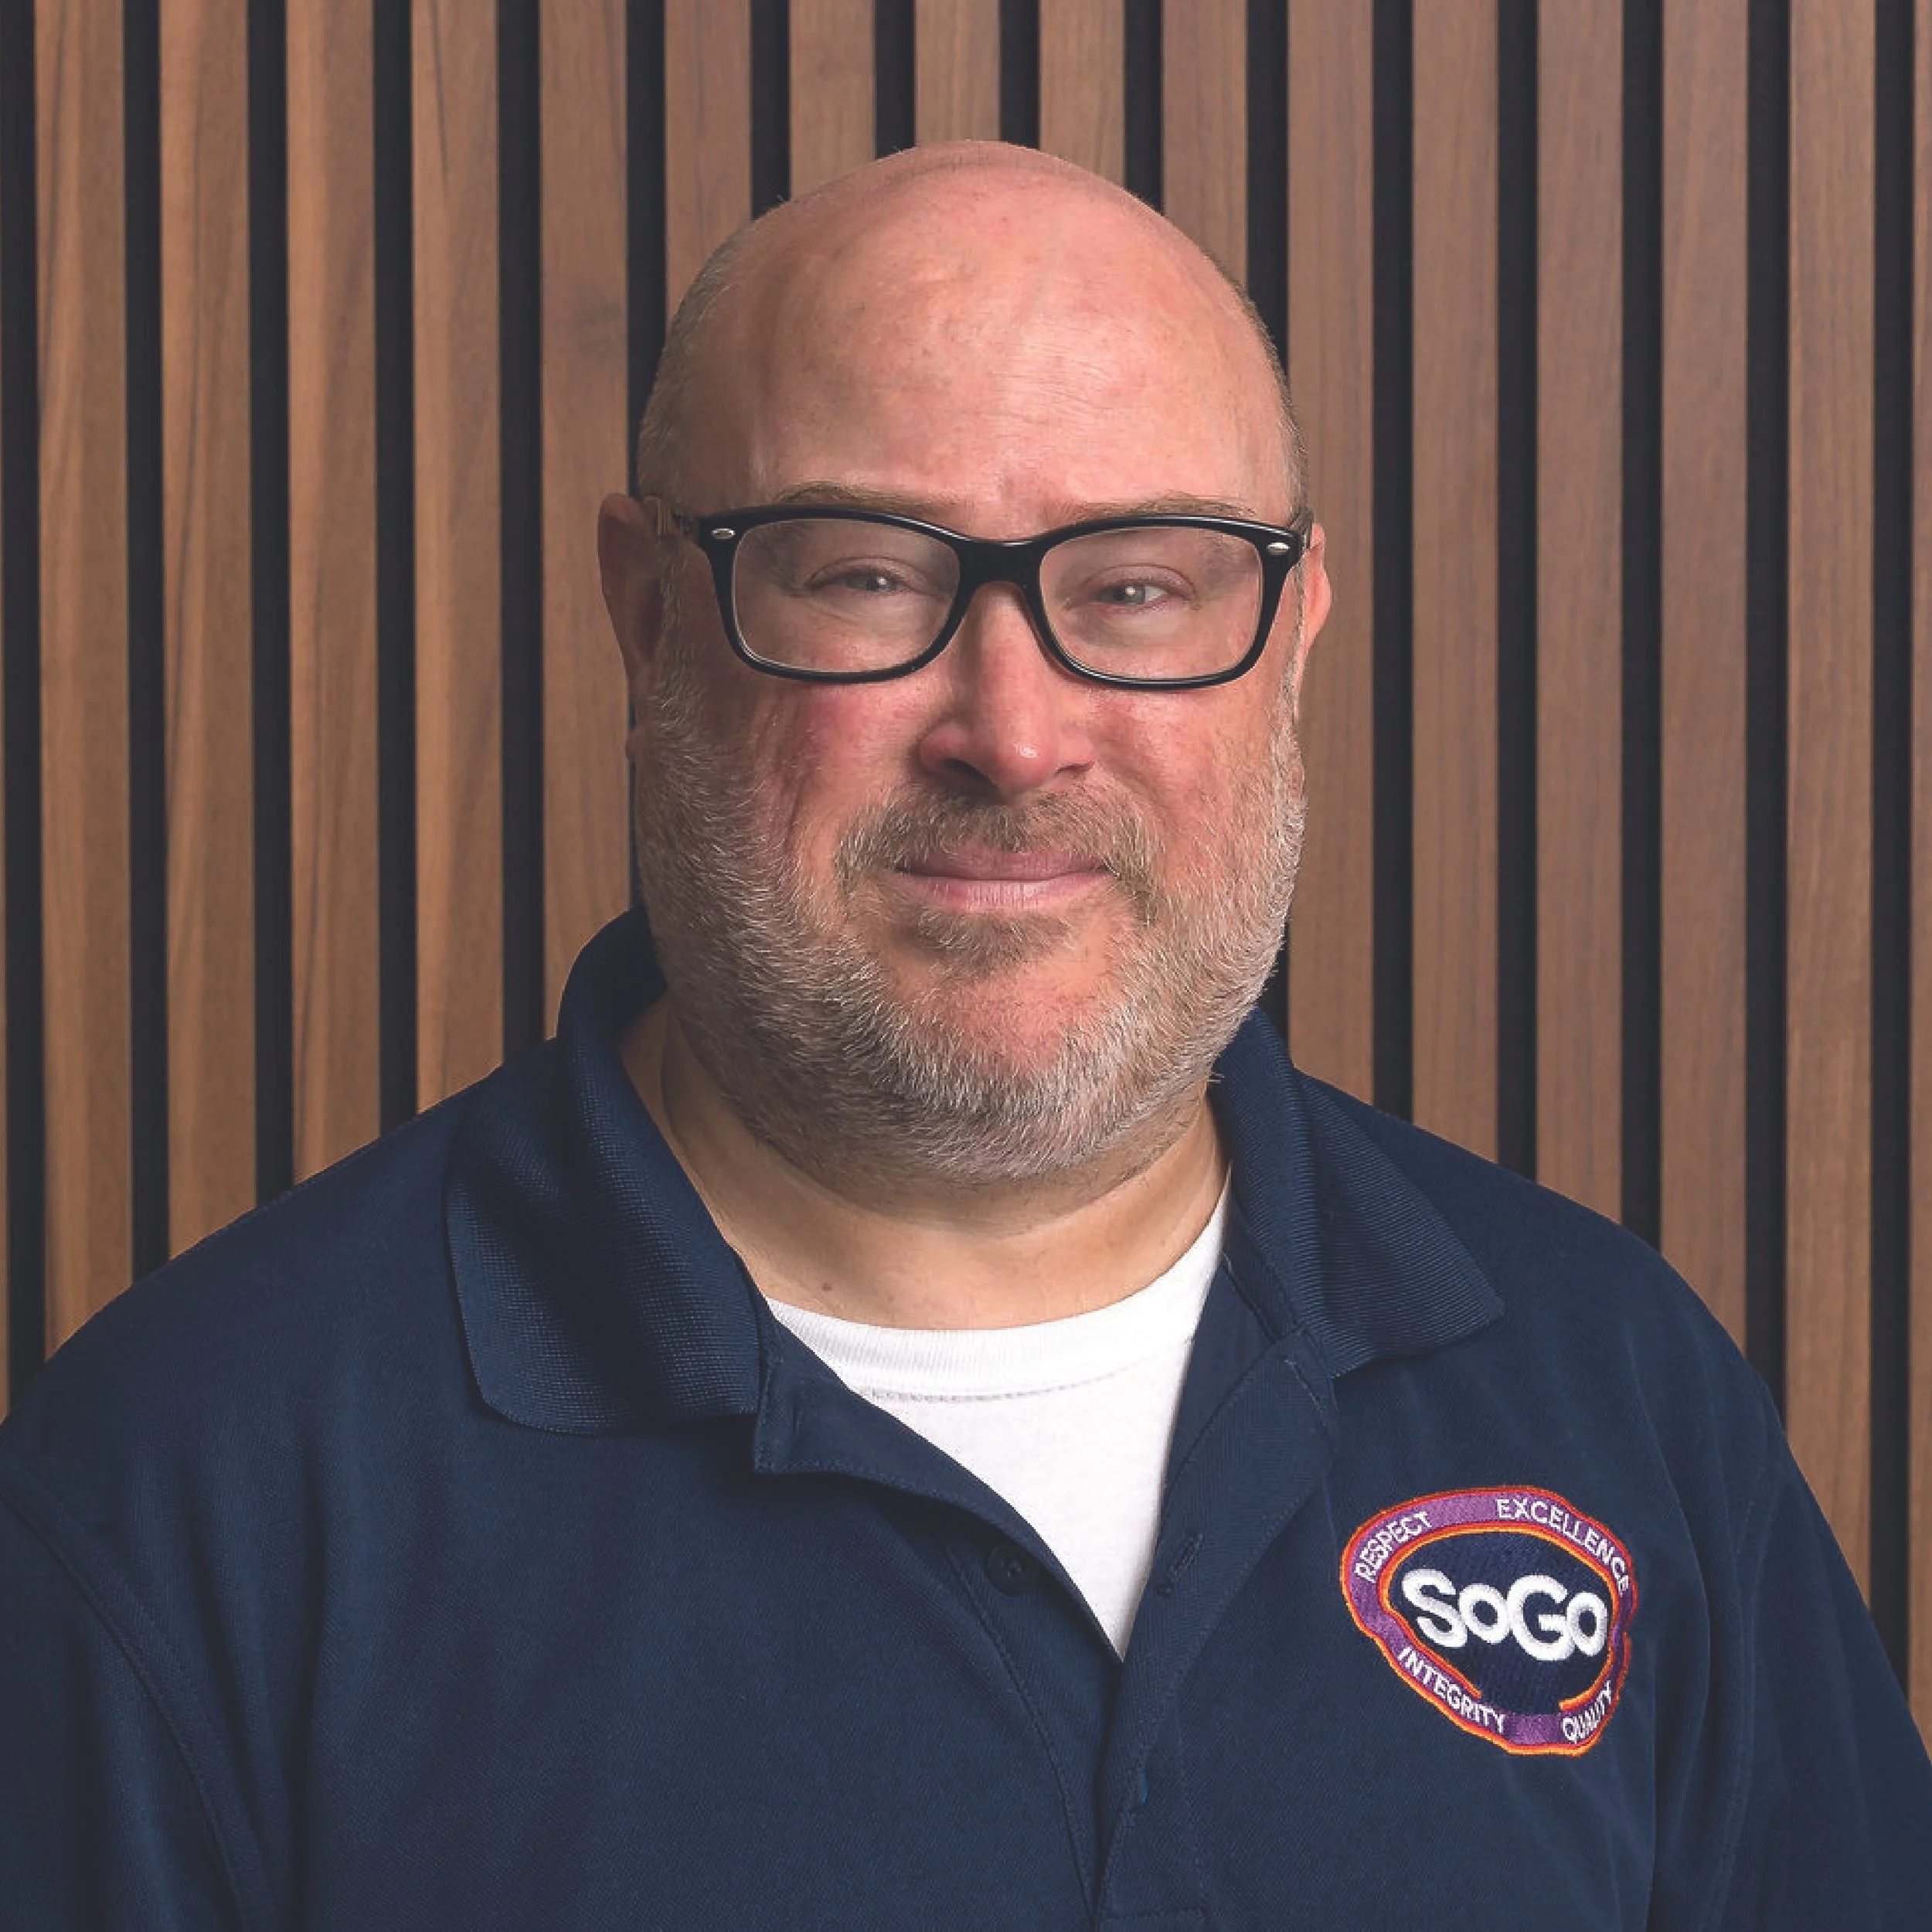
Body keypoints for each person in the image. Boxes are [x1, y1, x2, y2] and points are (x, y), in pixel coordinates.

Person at [1, 141, 1926, 1930]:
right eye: (865, 573)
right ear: (648, 620)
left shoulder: (1607, 1385)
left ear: (1294, 634)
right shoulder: (184, 1500)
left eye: (1141, 586)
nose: (1011, 731)